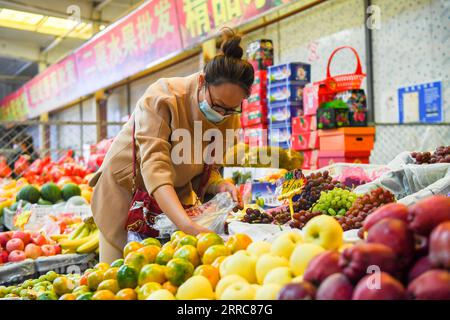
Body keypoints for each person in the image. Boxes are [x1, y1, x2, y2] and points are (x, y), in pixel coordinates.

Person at [89, 29, 254, 263]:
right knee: (120, 272)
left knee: (166, 273)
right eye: (217, 105)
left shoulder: (228, 115)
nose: (222, 114)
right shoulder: (163, 97)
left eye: (231, 108)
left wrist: (220, 185)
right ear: (201, 81)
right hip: (128, 192)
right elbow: (155, 165)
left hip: (173, 201)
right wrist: (186, 225)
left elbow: (209, 165)